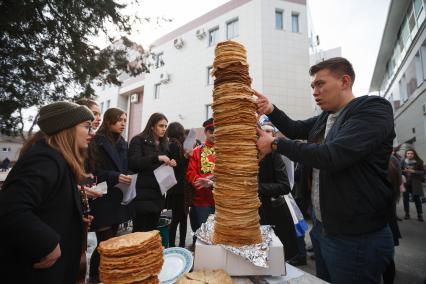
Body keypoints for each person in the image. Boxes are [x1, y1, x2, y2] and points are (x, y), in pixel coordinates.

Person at [256, 57, 395, 284]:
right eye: (312, 86)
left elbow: (332, 155)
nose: (314, 91)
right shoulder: (326, 117)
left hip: (356, 236)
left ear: (345, 81)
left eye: (320, 84)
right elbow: (295, 128)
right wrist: (270, 109)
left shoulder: (373, 110)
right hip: (324, 230)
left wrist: (275, 144)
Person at [0, 102, 94, 284]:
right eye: (86, 126)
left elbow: (48, 204)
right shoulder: (45, 159)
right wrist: (47, 243)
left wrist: (72, 219)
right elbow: (11, 208)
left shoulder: (56, 158)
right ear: (66, 128)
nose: (91, 133)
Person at [87, 108, 133, 283]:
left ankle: (104, 276)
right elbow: (92, 171)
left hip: (118, 197)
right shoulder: (96, 142)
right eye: (119, 120)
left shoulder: (123, 143)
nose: (123, 123)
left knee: (110, 241)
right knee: (104, 243)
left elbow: (125, 166)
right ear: (109, 121)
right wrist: (115, 176)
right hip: (102, 197)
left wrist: (128, 175)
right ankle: (95, 276)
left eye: (125, 120)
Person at [128, 113, 176, 232]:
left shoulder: (164, 143)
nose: (164, 129)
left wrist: (171, 163)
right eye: (161, 126)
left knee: (152, 232)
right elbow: (134, 163)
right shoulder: (138, 140)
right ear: (152, 126)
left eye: (165, 126)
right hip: (141, 194)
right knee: (139, 233)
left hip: (158, 194)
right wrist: (157, 158)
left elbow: (163, 163)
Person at [258, 124, 299, 261]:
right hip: (249, 215)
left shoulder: (274, 153)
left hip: (271, 212)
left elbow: (285, 186)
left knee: (275, 259)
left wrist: (255, 187)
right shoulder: (239, 155)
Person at [186, 118, 215, 242]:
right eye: (212, 131)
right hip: (201, 201)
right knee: (201, 237)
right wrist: (202, 182)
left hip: (223, 201)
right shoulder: (196, 151)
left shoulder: (227, 151)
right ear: (206, 132)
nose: (215, 134)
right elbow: (190, 173)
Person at [165, 122, 190, 247]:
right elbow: (178, 166)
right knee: (179, 218)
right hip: (179, 188)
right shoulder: (174, 145)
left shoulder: (171, 144)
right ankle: (178, 245)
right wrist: (186, 156)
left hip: (175, 188)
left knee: (178, 218)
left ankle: (176, 245)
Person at [383, 152, 403, 284]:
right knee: (388, 258)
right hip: (388, 218)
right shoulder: (392, 160)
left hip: (383, 220)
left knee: (386, 259)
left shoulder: (388, 161)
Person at [401, 148, 424, 222]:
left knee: (417, 199)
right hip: (406, 183)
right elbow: (399, 170)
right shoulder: (403, 161)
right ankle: (407, 214)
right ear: (406, 154)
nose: (409, 155)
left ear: (414, 154)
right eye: (408, 153)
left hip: (415, 183)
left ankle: (419, 215)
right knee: (405, 199)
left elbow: (423, 172)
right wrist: (403, 171)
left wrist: (414, 171)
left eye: (411, 153)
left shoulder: (419, 162)